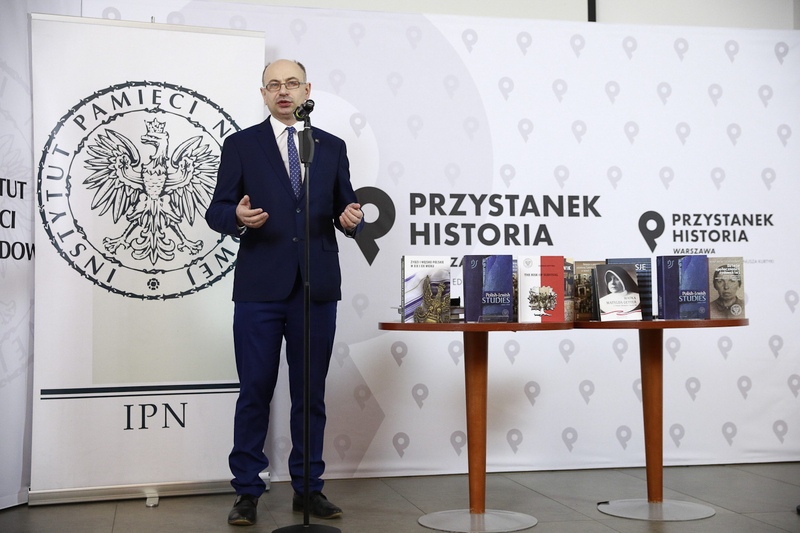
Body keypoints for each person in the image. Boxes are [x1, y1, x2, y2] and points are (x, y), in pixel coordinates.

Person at [205, 59, 363, 526]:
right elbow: (217, 210)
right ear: (263, 93)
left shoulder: (331, 147)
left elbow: (344, 207)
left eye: (291, 83)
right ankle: (248, 491)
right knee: (254, 390)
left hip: (315, 288)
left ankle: (308, 489)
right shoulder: (241, 145)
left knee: (309, 393)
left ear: (307, 89)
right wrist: (237, 216)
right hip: (259, 288)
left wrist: (351, 220)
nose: (283, 91)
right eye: (274, 85)